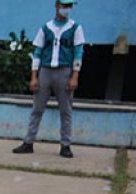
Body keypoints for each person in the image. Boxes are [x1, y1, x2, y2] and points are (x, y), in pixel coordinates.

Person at [12, 0, 85, 159]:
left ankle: (65, 145)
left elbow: (78, 53)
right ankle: (28, 142)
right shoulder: (46, 28)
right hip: (45, 71)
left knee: (66, 110)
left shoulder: (75, 28)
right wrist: (34, 76)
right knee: (37, 109)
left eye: (69, 6)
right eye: (64, 6)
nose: (66, 9)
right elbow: (37, 52)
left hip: (65, 71)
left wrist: (75, 76)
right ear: (57, 5)